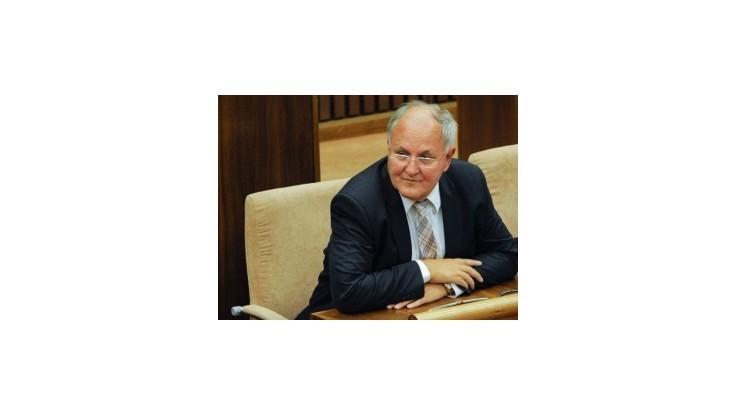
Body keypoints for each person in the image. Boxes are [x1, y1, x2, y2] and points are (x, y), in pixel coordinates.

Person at [295, 100, 517, 319]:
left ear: (447, 158)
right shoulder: (358, 203)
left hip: (430, 314)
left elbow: (508, 254)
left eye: (425, 157)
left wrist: (446, 286)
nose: (411, 169)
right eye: (401, 154)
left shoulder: (468, 182)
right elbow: (349, 291)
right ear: (388, 148)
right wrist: (426, 270)